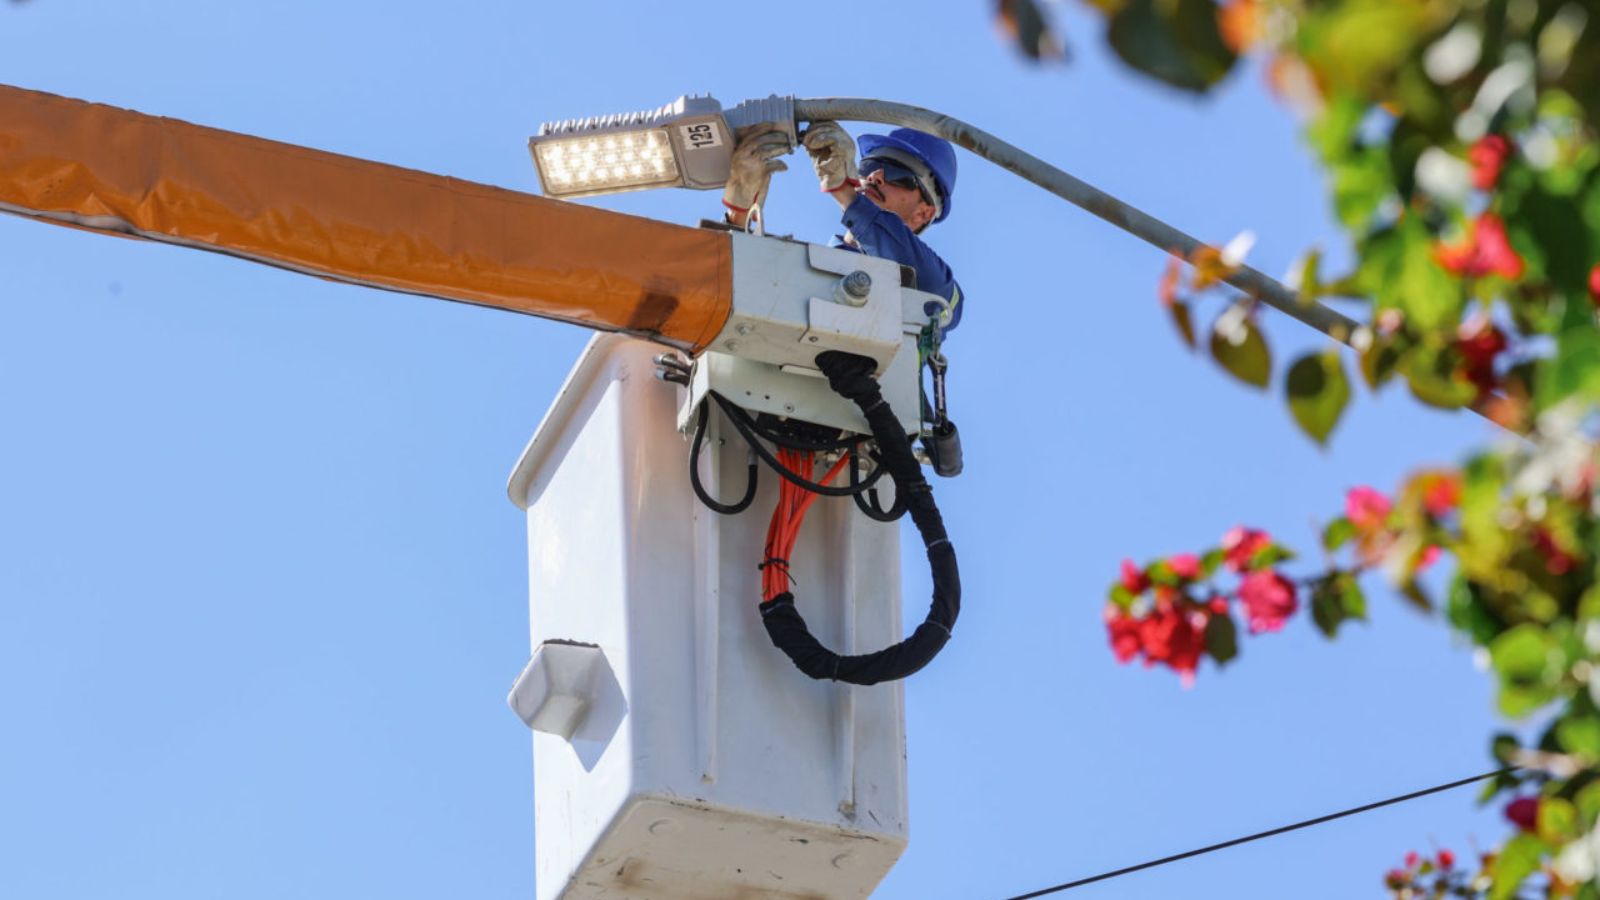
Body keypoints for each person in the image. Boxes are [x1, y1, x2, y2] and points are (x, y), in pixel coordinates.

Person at [721, 122, 963, 333]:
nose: (875, 176)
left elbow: (940, 296)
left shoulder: (935, 292)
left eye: (897, 174)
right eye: (870, 166)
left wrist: (844, 193)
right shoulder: (806, 268)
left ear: (923, 213)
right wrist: (739, 216)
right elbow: (728, 295)